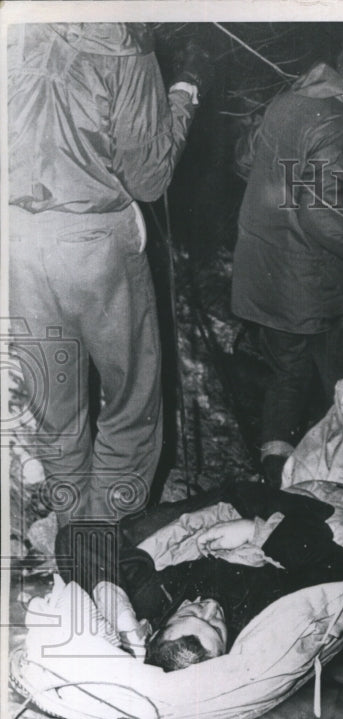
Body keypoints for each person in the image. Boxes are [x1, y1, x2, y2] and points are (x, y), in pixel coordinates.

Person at [8, 22, 209, 524]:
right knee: (131, 401)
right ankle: (110, 544)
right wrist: (183, 95)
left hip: (18, 242)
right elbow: (149, 175)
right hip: (95, 243)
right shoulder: (125, 41)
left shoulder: (17, 27)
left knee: (55, 403)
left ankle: (72, 538)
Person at [231, 35, 343, 489]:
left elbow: (248, 159)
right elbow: (322, 215)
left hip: (265, 280)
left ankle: (275, 480)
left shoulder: (290, 101)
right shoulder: (339, 123)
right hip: (313, 290)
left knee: (288, 376)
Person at [54, 480, 343, 671]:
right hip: (268, 509)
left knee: (137, 534)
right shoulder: (262, 614)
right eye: (216, 625)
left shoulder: (152, 605)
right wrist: (253, 530)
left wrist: (118, 609)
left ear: (157, 630)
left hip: (225, 501)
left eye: (192, 611)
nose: (211, 607)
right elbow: (342, 567)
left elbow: (77, 537)